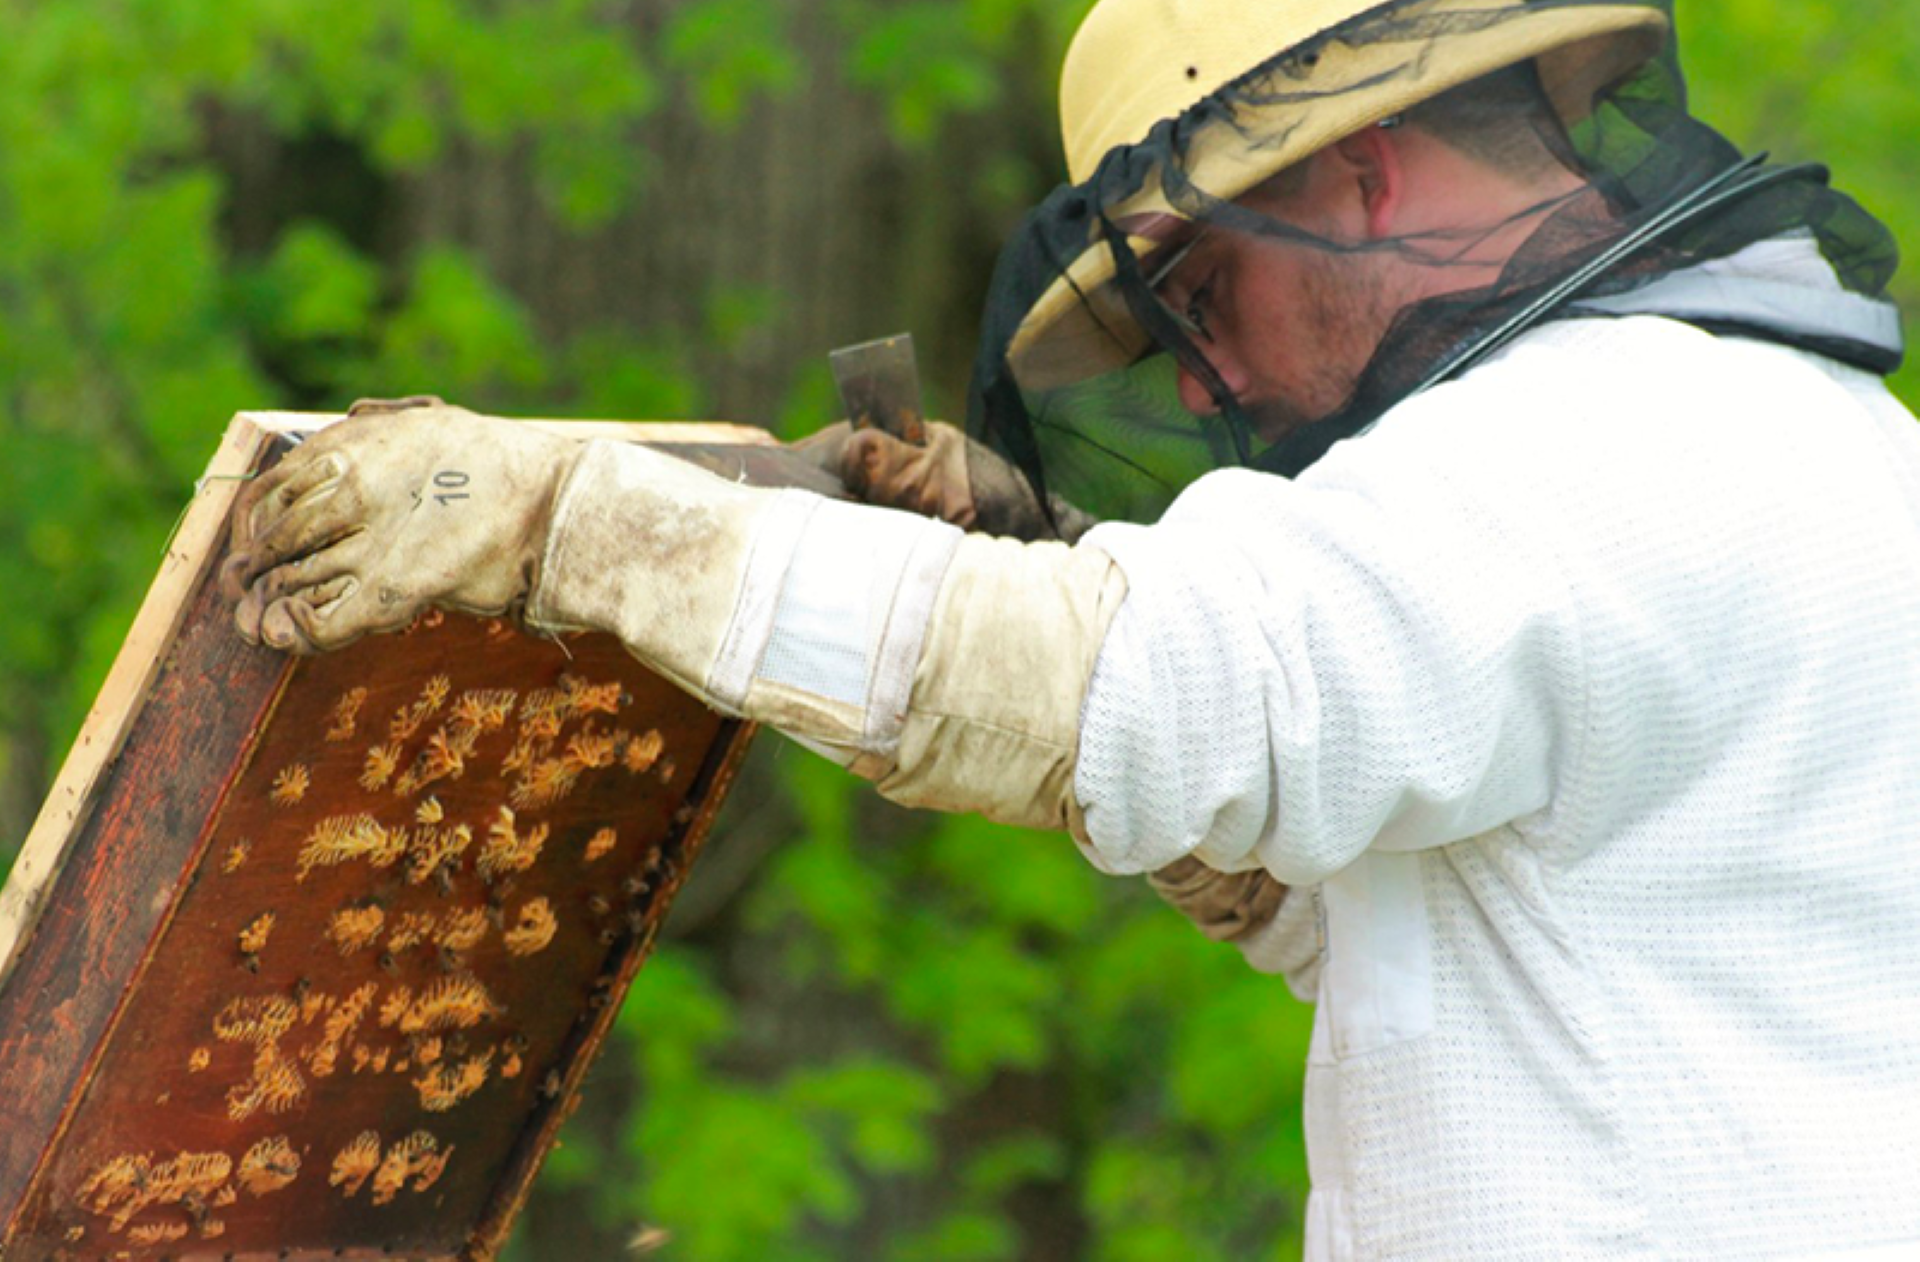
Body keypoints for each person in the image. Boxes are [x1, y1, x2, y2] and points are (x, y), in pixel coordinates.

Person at [223, 0, 1920, 1255]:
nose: (1198, 373)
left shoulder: (1565, 449)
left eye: (1196, 286)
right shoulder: (1812, 444)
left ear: (1366, 179)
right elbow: (1479, 932)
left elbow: (1170, 697)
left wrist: (569, 524)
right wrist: (1043, 558)